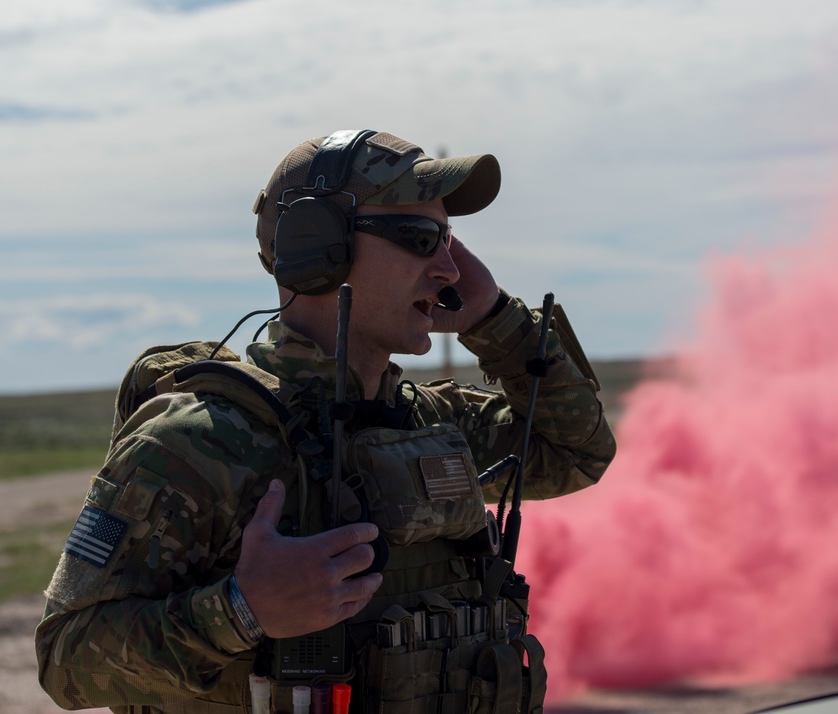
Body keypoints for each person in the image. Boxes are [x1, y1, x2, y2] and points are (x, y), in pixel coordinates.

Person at [36, 129, 616, 714]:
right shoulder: (202, 442)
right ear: (319, 250)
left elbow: (577, 451)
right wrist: (242, 610)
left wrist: (495, 318)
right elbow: (65, 657)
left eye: (449, 240)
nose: (448, 269)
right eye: (420, 239)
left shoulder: (430, 423)